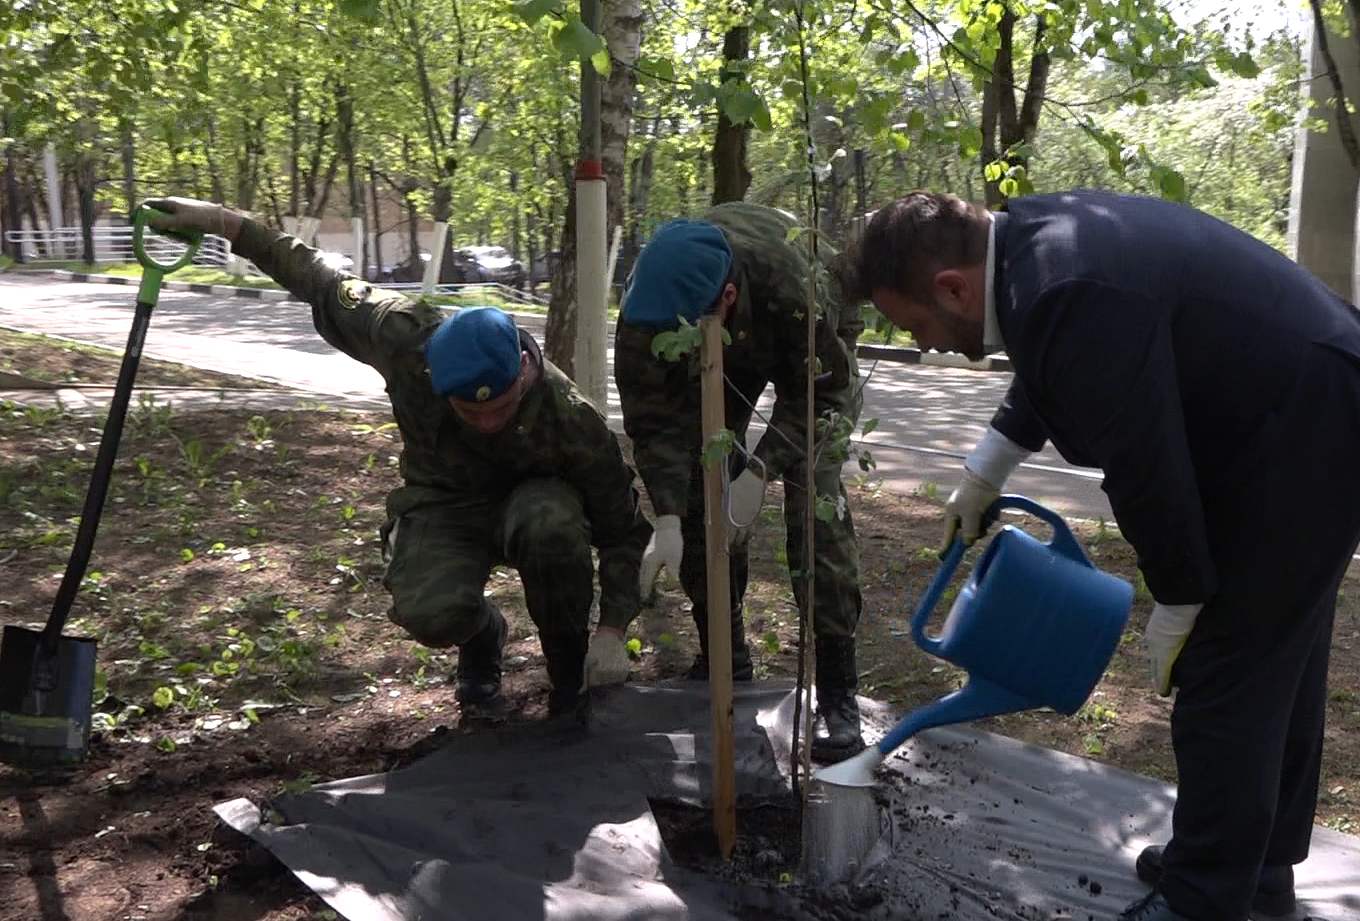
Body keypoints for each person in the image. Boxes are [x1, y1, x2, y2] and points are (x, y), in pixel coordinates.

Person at [842, 189, 1360, 921]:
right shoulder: (1037, 246)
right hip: (1302, 407)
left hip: (1309, 425)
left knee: (1227, 661)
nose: (928, 345)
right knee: (1278, 648)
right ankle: (1256, 863)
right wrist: (990, 462)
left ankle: (1198, 907)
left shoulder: (1062, 285)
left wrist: (1178, 598)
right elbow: (1058, 356)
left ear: (953, 288)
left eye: (915, 327)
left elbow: (1145, 462)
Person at [142, 197, 649, 723]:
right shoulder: (402, 337)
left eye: (500, 408)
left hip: (535, 508)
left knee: (553, 524)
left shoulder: (572, 418)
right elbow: (317, 277)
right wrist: (228, 224)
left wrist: (612, 630)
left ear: (524, 368)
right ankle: (483, 636)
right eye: (466, 412)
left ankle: (568, 678)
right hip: (444, 505)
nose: (485, 423)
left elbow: (621, 530)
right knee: (428, 614)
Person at [613, 203, 868, 763]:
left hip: (804, 341)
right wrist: (671, 517)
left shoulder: (795, 287)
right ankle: (724, 659)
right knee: (709, 489)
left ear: (723, 300)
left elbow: (824, 395)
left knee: (815, 504)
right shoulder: (647, 311)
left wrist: (762, 468)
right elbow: (655, 421)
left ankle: (837, 690)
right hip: (727, 344)